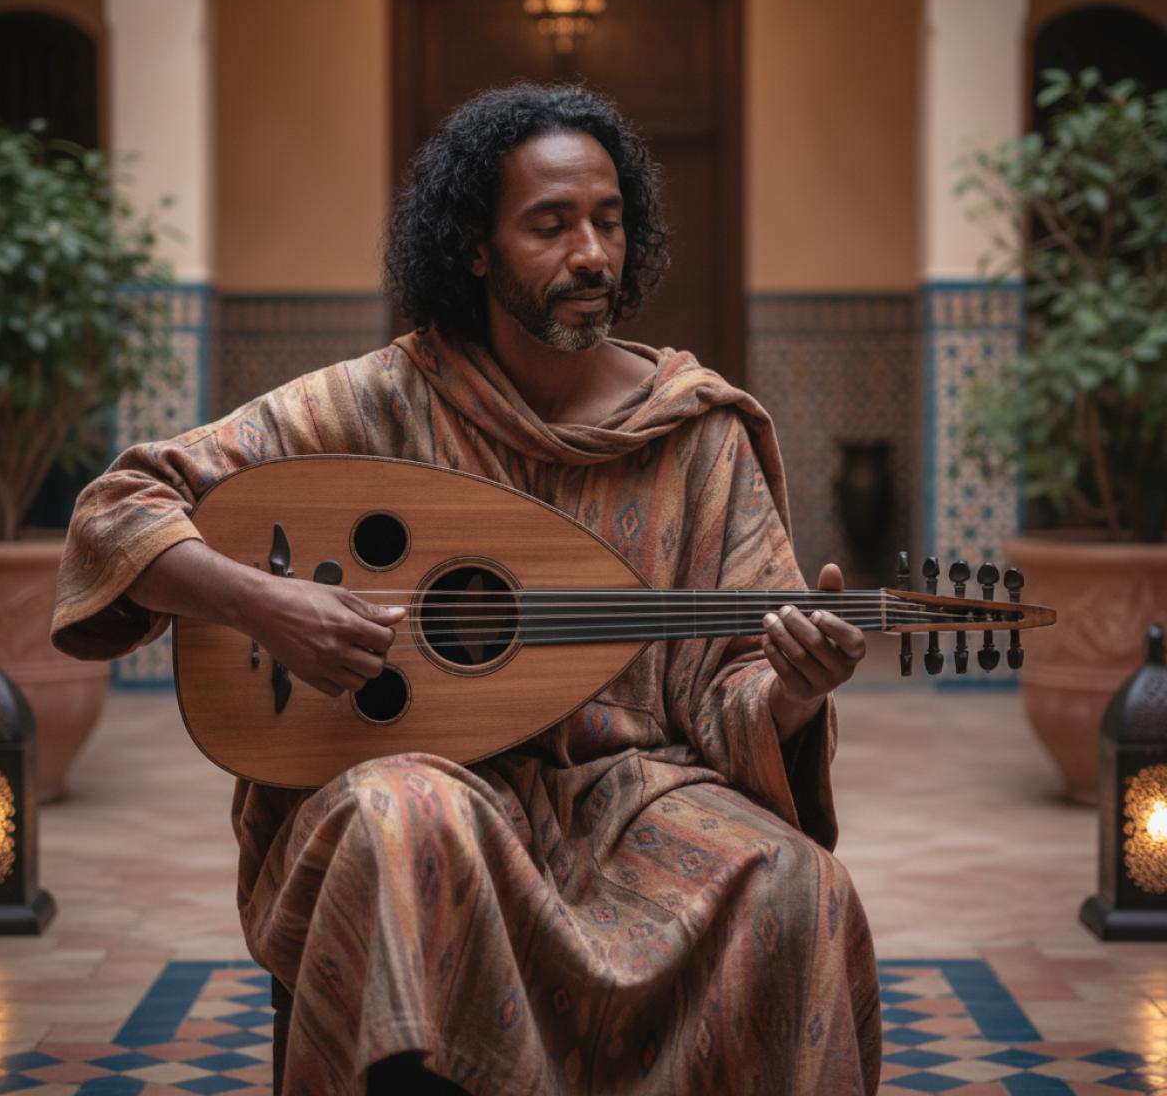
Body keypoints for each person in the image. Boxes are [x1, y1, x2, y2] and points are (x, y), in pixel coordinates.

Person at [52, 83, 881, 1095]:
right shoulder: (383, 400)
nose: (591, 255)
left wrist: (794, 688)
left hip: (636, 796)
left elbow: (732, 689)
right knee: (409, 824)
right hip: (427, 772)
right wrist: (264, 604)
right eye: (551, 224)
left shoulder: (696, 432)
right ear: (475, 248)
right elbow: (120, 502)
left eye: (609, 222)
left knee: (799, 888)